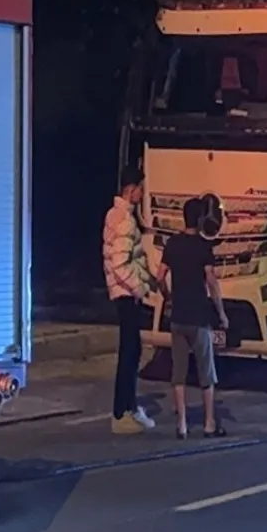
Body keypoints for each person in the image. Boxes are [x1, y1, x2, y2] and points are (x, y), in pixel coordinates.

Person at [156, 197, 229, 440]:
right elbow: (212, 282)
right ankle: (209, 423)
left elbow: (159, 276)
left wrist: (168, 296)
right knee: (206, 372)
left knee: (179, 372)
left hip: (178, 316)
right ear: (199, 219)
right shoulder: (203, 247)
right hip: (199, 317)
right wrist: (221, 313)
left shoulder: (172, 244)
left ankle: (182, 425)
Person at [103, 167, 157, 434]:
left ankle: (128, 408)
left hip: (122, 292)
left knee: (132, 351)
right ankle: (122, 411)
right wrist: (140, 288)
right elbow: (120, 263)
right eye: (140, 189)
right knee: (130, 353)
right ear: (130, 189)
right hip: (126, 295)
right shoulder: (124, 220)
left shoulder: (117, 216)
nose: (143, 193)